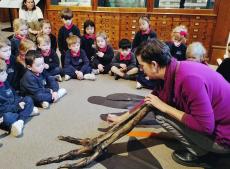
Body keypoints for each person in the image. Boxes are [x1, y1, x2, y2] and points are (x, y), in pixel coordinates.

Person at [107, 39, 230, 167]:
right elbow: (150, 99)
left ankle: (202, 154)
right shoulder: (173, 69)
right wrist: (122, 118)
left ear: (154, 65)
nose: (141, 69)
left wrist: (165, 107)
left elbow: (205, 127)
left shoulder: (189, 80)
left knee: (160, 113)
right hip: (220, 126)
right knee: (156, 105)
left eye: (142, 65)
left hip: (224, 140)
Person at [0, 60, 39, 137]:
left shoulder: (6, 82)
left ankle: (20, 121)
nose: (6, 74)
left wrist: (19, 102)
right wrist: (17, 107)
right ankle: (24, 115)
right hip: (6, 111)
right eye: (3, 73)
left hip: (14, 106)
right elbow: (1, 108)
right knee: (7, 118)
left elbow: (14, 94)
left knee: (28, 99)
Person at [131, 15, 157, 89]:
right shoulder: (138, 34)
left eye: (143, 24)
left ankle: (144, 78)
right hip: (140, 55)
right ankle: (140, 79)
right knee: (141, 68)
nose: (141, 26)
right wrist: (137, 51)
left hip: (149, 54)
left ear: (148, 23)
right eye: (139, 24)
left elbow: (154, 46)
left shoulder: (153, 34)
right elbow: (134, 46)